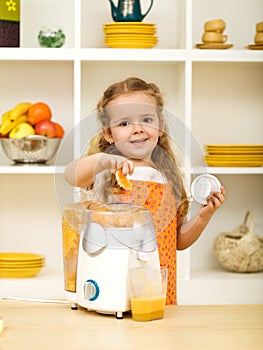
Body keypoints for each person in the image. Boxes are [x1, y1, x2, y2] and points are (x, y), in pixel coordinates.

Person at [64, 77, 225, 305]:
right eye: (124, 124)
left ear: (160, 126)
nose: (137, 129)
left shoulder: (169, 176)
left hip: (157, 289)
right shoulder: (105, 169)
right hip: (112, 281)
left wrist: (203, 216)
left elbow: (177, 240)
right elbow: (71, 175)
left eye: (146, 119)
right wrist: (103, 160)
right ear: (108, 134)